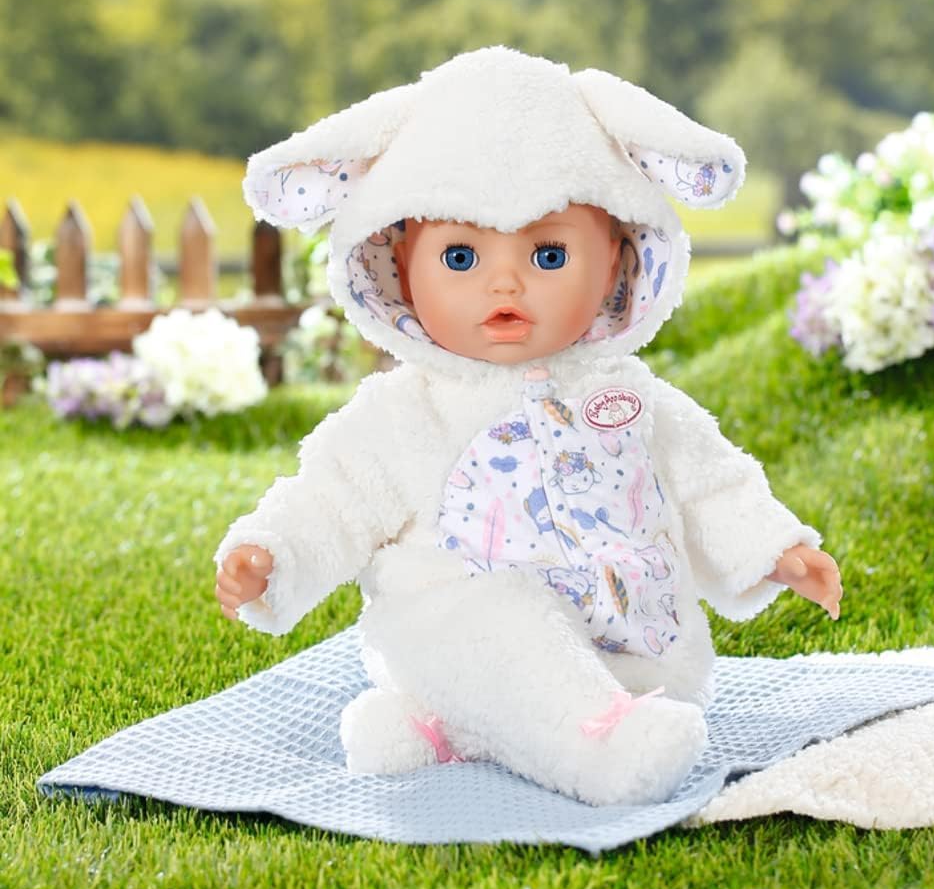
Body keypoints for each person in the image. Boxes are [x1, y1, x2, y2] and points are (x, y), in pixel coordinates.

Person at [214, 47, 842, 806]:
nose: (504, 282)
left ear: (618, 262)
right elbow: (328, 500)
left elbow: (713, 483)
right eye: (460, 255)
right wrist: (272, 556)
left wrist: (773, 551)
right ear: (396, 265)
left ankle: (446, 732)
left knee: (540, 653)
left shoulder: (632, 398)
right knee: (497, 610)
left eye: (548, 253)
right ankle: (600, 752)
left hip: (642, 661)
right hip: (459, 644)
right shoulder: (404, 413)